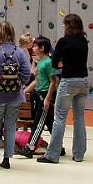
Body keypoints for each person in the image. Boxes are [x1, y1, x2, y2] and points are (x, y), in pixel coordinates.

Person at [38, 14, 89, 164]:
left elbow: (54, 63)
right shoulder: (83, 41)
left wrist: (63, 63)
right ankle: (79, 154)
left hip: (68, 81)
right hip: (84, 81)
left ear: (68, 25)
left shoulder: (63, 41)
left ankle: (52, 155)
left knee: (59, 118)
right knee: (79, 118)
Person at [0, 21, 31, 170]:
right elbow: (27, 73)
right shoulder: (19, 52)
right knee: (10, 127)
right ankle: (7, 160)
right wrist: (18, 83)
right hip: (15, 97)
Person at [17, 36, 61, 158]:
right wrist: (24, 91)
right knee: (50, 122)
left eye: (36, 46)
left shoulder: (48, 62)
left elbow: (53, 82)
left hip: (45, 96)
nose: (33, 48)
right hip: (41, 95)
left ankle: (30, 147)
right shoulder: (40, 62)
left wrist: (47, 98)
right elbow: (36, 81)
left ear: (42, 48)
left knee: (38, 123)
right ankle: (59, 147)